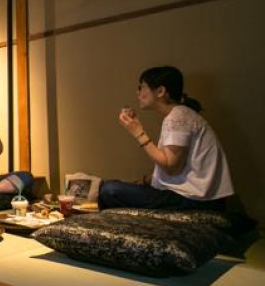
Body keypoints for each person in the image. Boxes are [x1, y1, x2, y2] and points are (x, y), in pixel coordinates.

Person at [98, 66, 234, 211]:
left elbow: (171, 167)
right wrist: (144, 182)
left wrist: (138, 132)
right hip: (193, 197)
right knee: (112, 186)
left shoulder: (178, 117)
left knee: (109, 190)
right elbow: (174, 168)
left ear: (160, 91)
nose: (138, 93)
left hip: (195, 200)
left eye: (142, 87)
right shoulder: (181, 114)